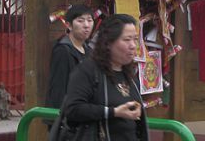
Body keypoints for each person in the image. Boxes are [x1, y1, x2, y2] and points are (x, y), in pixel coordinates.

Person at [64, 13, 149, 141]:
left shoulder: (130, 76)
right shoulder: (88, 71)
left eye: (135, 39)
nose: (132, 45)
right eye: (126, 40)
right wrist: (113, 112)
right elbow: (73, 109)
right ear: (108, 42)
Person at [46, 4, 94, 111]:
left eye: (89, 20)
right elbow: (58, 88)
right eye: (80, 21)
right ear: (69, 25)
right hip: (67, 115)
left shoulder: (89, 51)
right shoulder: (62, 51)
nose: (86, 25)